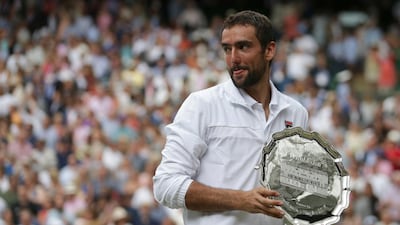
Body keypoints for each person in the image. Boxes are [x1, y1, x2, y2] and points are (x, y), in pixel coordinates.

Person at [153, 10, 309, 225]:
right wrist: (241, 199)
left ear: (269, 50)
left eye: (243, 47)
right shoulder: (202, 105)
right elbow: (165, 185)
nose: (233, 59)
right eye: (227, 49)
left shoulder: (296, 112)